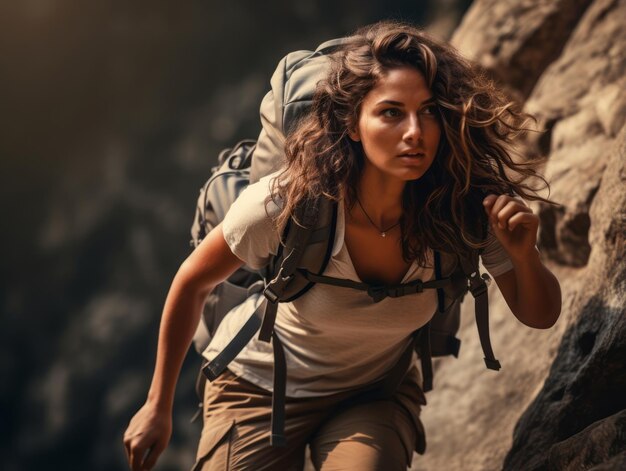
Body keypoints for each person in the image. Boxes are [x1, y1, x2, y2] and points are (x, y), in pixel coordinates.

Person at [123, 21, 561, 471]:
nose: (416, 132)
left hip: (373, 393)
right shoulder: (288, 203)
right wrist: (157, 406)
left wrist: (525, 256)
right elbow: (192, 282)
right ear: (353, 124)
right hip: (258, 388)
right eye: (391, 112)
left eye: (429, 111)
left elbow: (540, 316)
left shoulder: (462, 209)